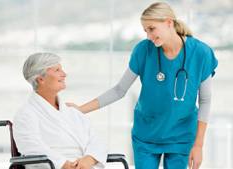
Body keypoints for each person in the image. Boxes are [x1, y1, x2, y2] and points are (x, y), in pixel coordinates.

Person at [66, 2, 218, 169]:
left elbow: (205, 100)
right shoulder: (143, 50)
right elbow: (119, 90)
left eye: (151, 29)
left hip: (181, 134)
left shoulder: (201, 53)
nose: (148, 36)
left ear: (169, 22)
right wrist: (80, 110)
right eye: (145, 31)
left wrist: (198, 145)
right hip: (147, 133)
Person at [13, 53, 108, 169]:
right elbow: (31, 147)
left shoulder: (72, 112)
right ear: (40, 79)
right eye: (57, 70)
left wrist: (90, 159)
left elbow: (97, 139)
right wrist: (67, 166)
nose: (64, 74)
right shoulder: (26, 114)